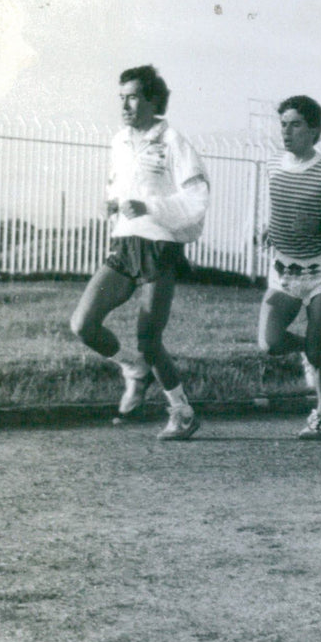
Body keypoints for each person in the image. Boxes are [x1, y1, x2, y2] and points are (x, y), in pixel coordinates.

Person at [70, 65, 209, 440]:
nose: (126, 105)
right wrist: (113, 203)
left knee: (149, 338)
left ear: (152, 100)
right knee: (83, 324)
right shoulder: (119, 141)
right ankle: (132, 368)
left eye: (133, 97)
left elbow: (197, 199)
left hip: (158, 246)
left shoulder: (173, 141)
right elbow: (119, 186)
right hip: (124, 243)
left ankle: (182, 412)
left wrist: (150, 207)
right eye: (122, 98)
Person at [257, 95, 321, 438]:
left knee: (317, 349)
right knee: (270, 342)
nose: (287, 131)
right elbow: (280, 209)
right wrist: (270, 229)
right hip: (284, 271)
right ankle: (308, 353)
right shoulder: (272, 165)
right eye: (283, 124)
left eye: (295, 124)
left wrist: (319, 227)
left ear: (314, 131)